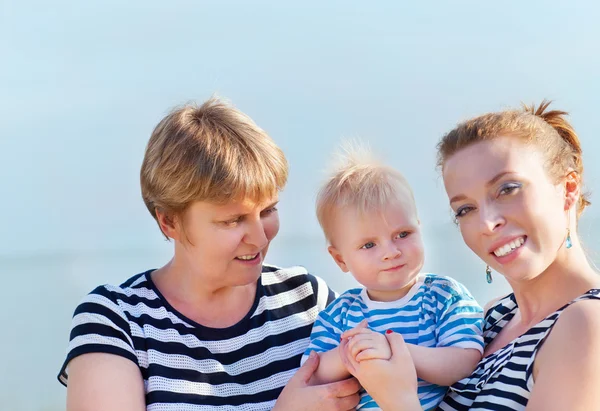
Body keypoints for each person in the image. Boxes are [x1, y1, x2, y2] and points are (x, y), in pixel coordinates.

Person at [57, 97, 362, 411]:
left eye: (268, 210)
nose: (259, 238)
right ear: (169, 221)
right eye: (233, 220)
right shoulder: (118, 322)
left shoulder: (308, 300)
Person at [338, 101, 600, 411]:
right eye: (466, 209)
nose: (487, 224)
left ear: (568, 189)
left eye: (508, 189)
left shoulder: (587, 324)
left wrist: (399, 400)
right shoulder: (491, 319)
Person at [302, 145, 484, 410]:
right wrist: (351, 352)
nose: (391, 252)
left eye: (403, 234)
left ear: (419, 228)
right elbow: (312, 373)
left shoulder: (443, 294)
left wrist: (394, 350)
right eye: (368, 245)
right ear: (340, 259)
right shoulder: (340, 312)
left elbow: (464, 361)